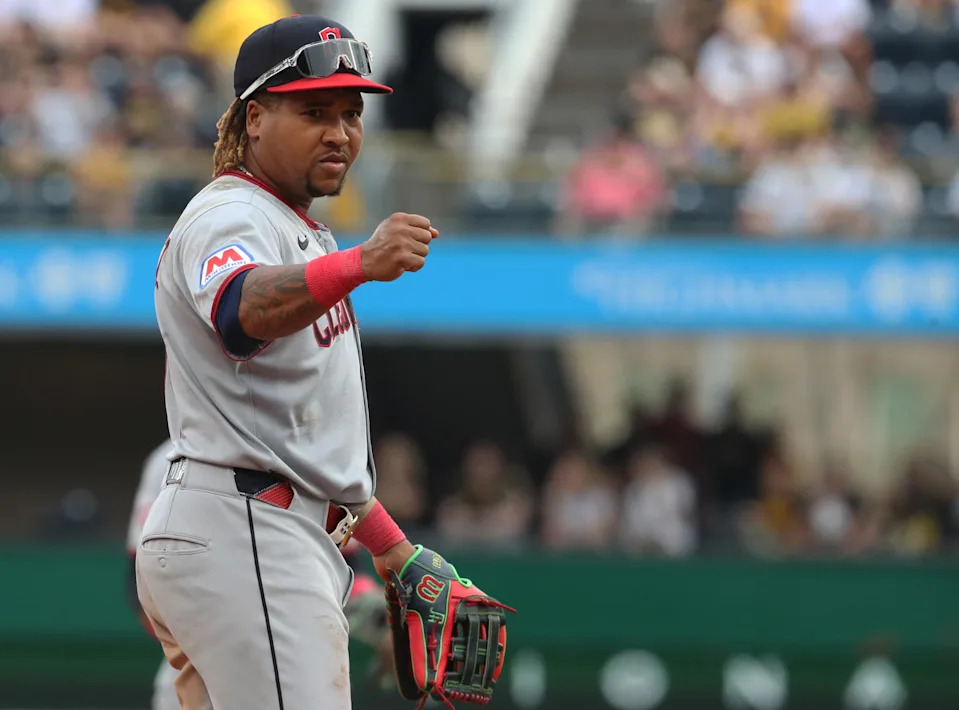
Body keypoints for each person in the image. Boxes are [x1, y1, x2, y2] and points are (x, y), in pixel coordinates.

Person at [139, 15, 462, 709]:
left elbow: (298, 436)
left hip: (257, 529)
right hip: (247, 534)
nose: (340, 132)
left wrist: (392, 548)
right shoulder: (232, 214)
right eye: (314, 111)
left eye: (351, 113)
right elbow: (241, 310)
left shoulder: (296, 229)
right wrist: (362, 263)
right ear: (253, 119)